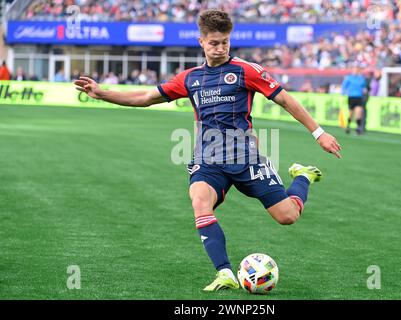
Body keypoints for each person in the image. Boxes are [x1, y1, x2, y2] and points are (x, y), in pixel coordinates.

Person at [74, 9, 342, 291]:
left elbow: (286, 101)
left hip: (246, 158)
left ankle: (303, 176)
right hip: (208, 158)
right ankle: (225, 272)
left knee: (287, 217)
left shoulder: (246, 71)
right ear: (201, 41)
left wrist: (319, 133)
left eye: (225, 42)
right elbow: (145, 97)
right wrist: (102, 93)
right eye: (214, 43)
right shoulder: (190, 78)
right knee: (200, 201)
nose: (220, 48)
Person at [341, 65, 367, 135]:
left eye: (357, 70)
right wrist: (344, 93)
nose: (355, 71)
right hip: (351, 97)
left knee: (359, 112)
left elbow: (364, 87)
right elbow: (344, 86)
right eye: (354, 70)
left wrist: (365, 91)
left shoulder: (361, 79)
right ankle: (348, 125)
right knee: (351, 113)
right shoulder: (349, 78)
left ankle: (358, 127)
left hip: (359, 97)